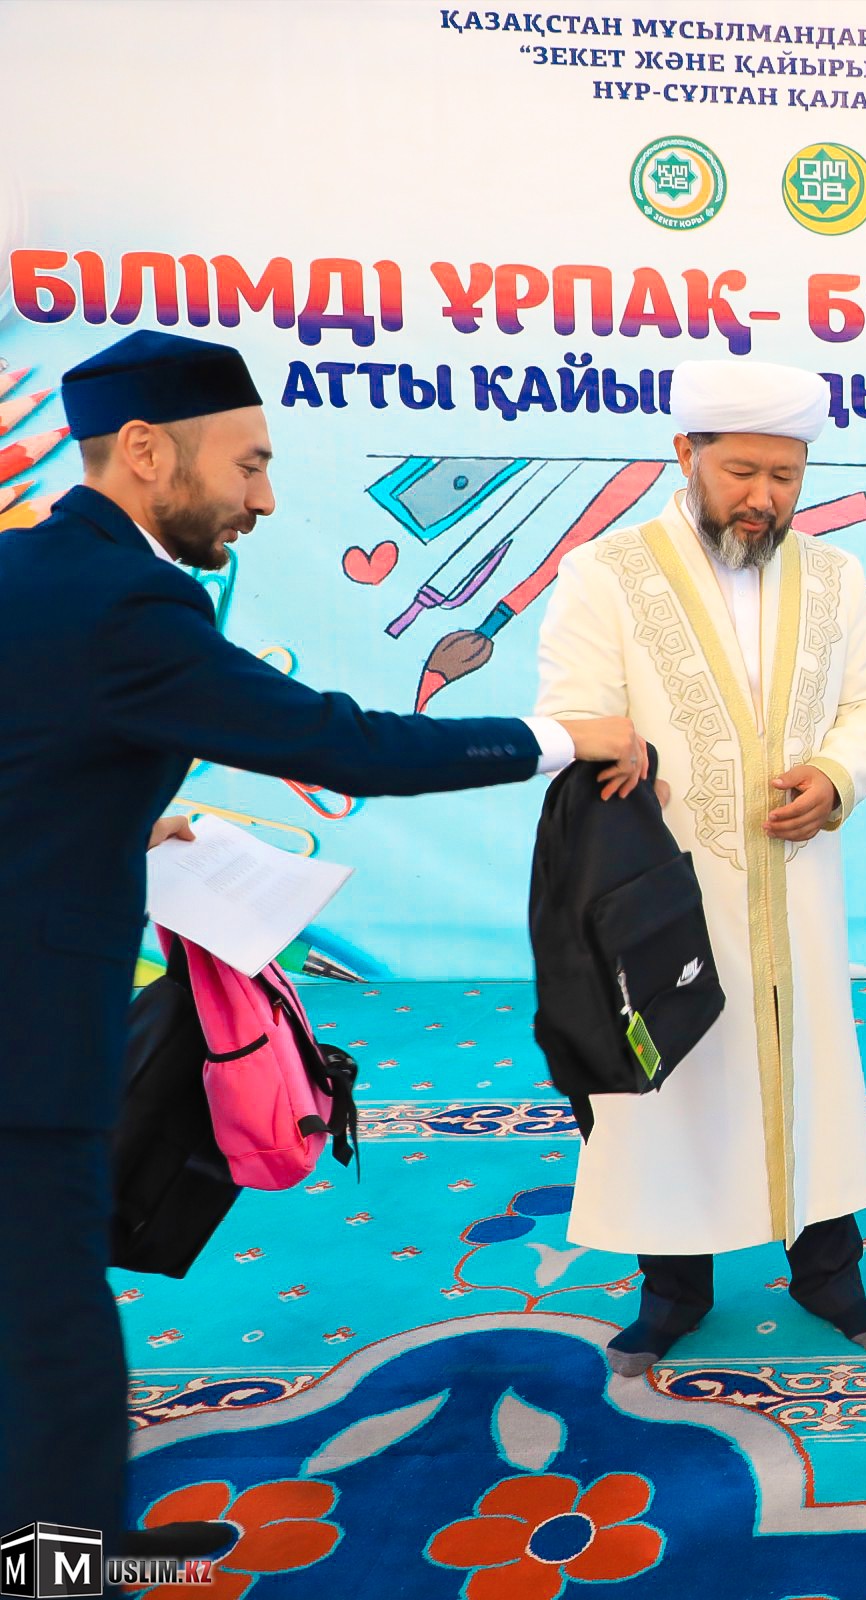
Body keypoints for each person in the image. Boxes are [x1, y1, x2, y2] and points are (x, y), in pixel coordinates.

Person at [0, 331, 645, 1556]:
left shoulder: (25, 569)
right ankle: (60, 1573)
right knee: (49, 1343)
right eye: (248, 464)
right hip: (25, 1041)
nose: (263, 498)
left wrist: (119, 813)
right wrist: (567, 736)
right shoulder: (129, 602)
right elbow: (345, 747)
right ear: (146, 451)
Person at [534, 358, 866, 1374]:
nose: (763, 497)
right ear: (685, 455)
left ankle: (828, 1273)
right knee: (674, 1080)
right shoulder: (605, 573)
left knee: (806, 1071)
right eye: (742, 471)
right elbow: (574, 708)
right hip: (665, 889)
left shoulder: (831, 576)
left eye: (785, 476)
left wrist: (836, 775)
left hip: (795, 885)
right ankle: (673, 1289)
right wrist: (618, 764)